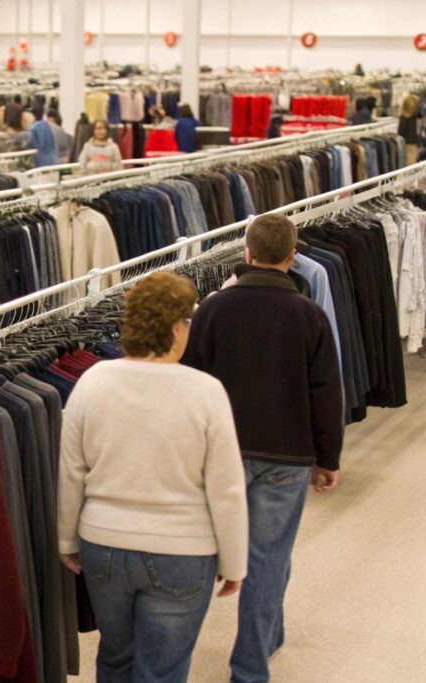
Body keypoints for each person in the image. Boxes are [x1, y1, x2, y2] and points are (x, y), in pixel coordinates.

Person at [58, 271, 248, 683]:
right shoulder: (205, 391)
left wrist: (67, 539)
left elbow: (71, 471)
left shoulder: (92, 382)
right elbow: (227, 488)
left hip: (105, 544)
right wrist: (234, 560)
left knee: (115, 658)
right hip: (182, 549)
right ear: (178, 328)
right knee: (162, 670)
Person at [181, 214, 344, 683]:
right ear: (292, 257)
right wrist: (328, 458)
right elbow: (325, 392)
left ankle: (235, 643)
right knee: (269, 555)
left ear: (247, 253)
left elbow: (190, 383)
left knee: (207, 552)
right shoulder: (309, 315)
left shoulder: (212, 310)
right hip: (286, 456)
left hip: (222, 452)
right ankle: (251, 666)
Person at [398, 94, 421, 165]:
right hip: (413, 144)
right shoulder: (415, 117)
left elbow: (401, 133)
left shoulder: (403, 117)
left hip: (406, 144)